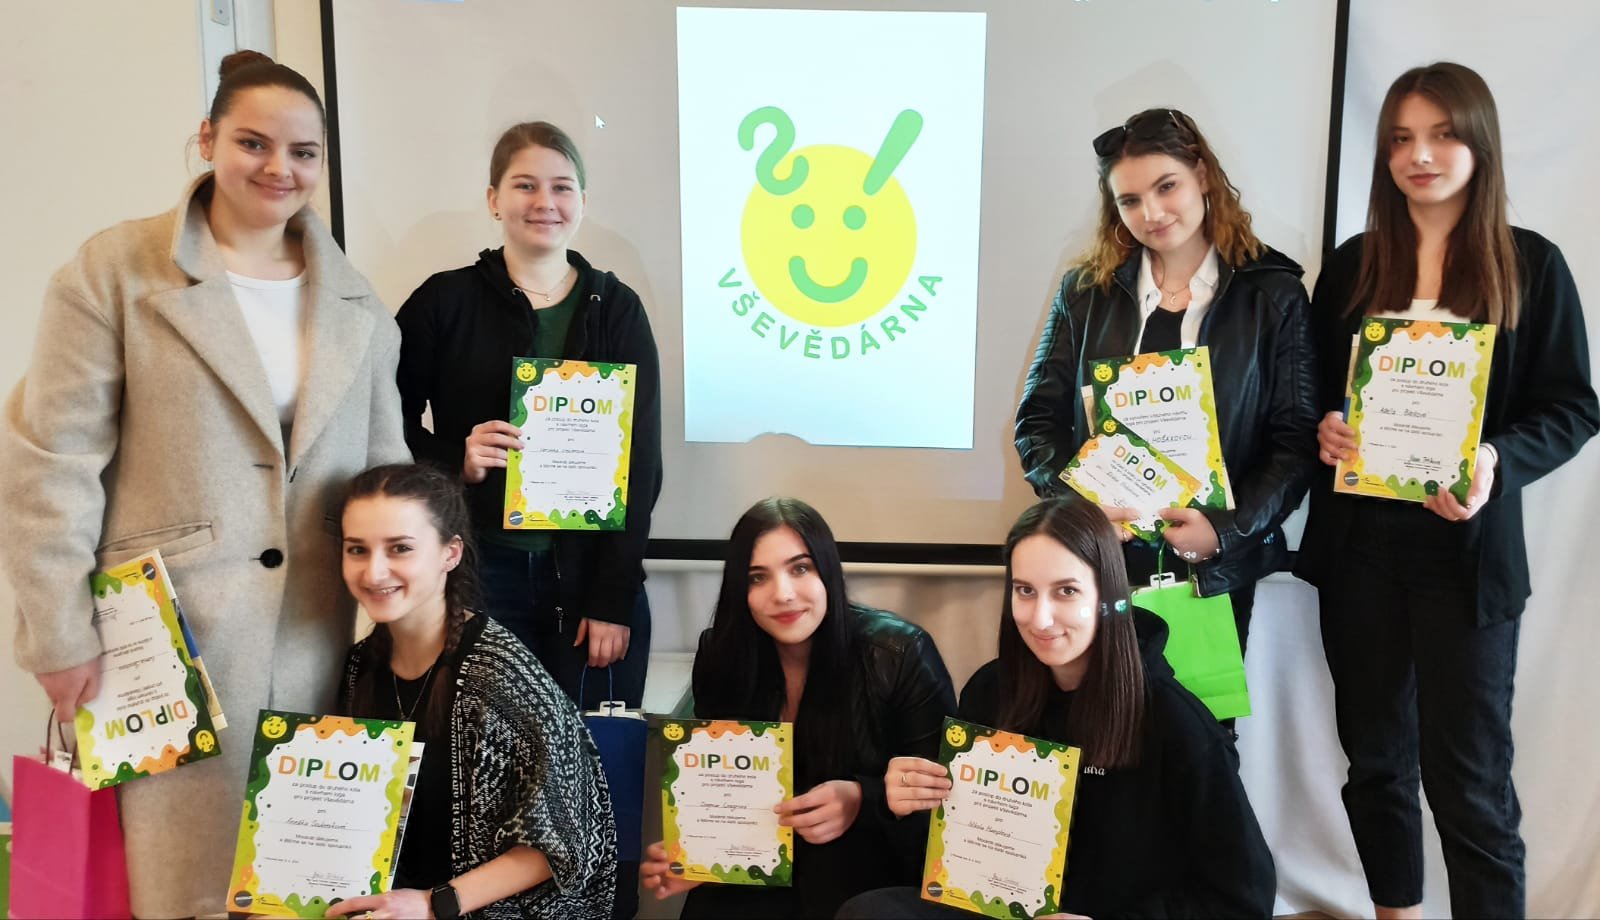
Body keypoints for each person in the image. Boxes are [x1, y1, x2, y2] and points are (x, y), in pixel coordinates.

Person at [0, 51, 410, 917]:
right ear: (207, 140)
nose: (279, 167)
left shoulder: (361, 305)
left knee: (294, 891)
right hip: (157, 649)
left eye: (303, 152)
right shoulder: (114, 270)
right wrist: (59, 635)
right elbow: (49, 463)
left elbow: (387, 477)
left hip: (317, 642)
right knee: (171, 891)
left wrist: (411, 630)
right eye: (253, 142)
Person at [1297, 62, 1598, 920]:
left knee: (1470, 780)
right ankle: (1395, 913)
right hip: (1360, 555)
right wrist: (1326, 430)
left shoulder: (1530, 264)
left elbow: (1573, 407)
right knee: (1377, 764)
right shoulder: (1353, 266)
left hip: (1467, 561)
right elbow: (1308, 398)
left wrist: (1497, 459)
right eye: (1400, 138)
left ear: (1479, 142)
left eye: (1440, 135)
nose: (1419, 155)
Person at [837, 495, 1275, 918]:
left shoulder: (1176, 723)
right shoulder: (990, 692)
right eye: (1025, 591)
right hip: (1003, 907)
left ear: (1106, 596)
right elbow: (950, 867)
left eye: (1066, 591)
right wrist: (906, 808)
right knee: (869, 911)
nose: (1040, 618)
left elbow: (1242, 899)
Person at [1015, 107, 1319, 663]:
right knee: (1098, 714)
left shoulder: (1273, 295)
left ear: (1202, 175)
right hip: (1096, 565)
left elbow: (1296, 439)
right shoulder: (1085, 293)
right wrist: (1082, 511)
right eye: (1130, 200)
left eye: (1166, 186)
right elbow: (1036, 422)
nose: (1151, 213)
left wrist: (1225, 530)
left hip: (1212, 570)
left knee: (1198, 716)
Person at [394, 120, 662, 711]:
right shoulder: (443, 301)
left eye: (562, 187)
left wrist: (612, 597)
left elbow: (641, 462)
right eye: (525, 185)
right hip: (478, 577)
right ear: (494, 199)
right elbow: (384, 425)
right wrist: (455, 462)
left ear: (582, 201)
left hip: (590, 584)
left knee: (592, 755)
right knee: (481, 751)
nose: (545, 202)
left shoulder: (617, 309)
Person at [638, 498, 956, 919]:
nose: (783, 594)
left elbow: (944, 808)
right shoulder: (721, 655)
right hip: (764, 861)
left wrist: (864, 798)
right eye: (758, 577)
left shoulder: (899, 653)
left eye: (800, 568)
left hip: (868, 870)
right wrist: (701, 851)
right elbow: (723, 788)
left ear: (827, 571)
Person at [325, 463, 616, 920]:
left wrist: (432, 904)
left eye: (400, 548)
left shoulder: (499, 673)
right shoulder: (359, 666)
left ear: (451, 553)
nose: (374, 571)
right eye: (357, 549)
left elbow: (564, 842)